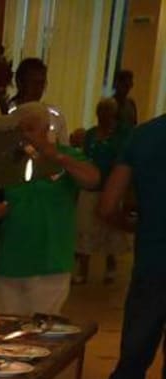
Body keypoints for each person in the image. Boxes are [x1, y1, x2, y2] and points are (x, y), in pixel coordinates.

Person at [93, 114, 166, 379]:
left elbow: (107, 206)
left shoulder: (143, 136)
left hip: (149, 267)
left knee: (131, 360)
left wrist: (136, 227)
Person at [0, 102, 100, 315]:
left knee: (41, 330)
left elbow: (92, 179)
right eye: (20, 129)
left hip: (51, 263)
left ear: (46, 129)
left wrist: (57, 157)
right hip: (10, 263)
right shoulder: (9, 161)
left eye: (30, 129)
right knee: (3, 328)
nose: (25, 135)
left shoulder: (65, 156)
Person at [75, 98, 129, 284]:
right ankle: (83, 270)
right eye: (100, 112)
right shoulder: (90, 134)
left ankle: (110, 267)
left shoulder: (120, 136)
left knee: (110, 230)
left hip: (110, 188)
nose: (103, 116)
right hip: (89, 188)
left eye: (107, 112)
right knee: (85, 229)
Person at [10, 57, 67, 142]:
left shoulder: (55, 117)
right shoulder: (7, 114)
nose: (38, 89)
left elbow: (63, 146)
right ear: (20, 83)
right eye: (33, 83)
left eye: (41, 83)